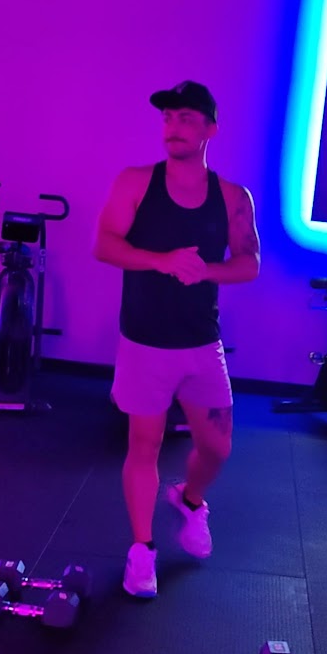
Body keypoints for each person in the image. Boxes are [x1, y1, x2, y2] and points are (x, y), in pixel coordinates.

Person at [93, 80, 261, 597]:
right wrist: (161, 261)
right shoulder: (135, 182)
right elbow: (105, 245)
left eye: (186, 118)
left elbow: (249, 263)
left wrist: (206, 270)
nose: (174, 127)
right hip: (144, 341)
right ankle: (141, 550)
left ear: (211, 129)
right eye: (168, 118)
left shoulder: (232, 197)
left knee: (217, 447)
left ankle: (190, 502)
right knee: (144, 444)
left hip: (200, 343)